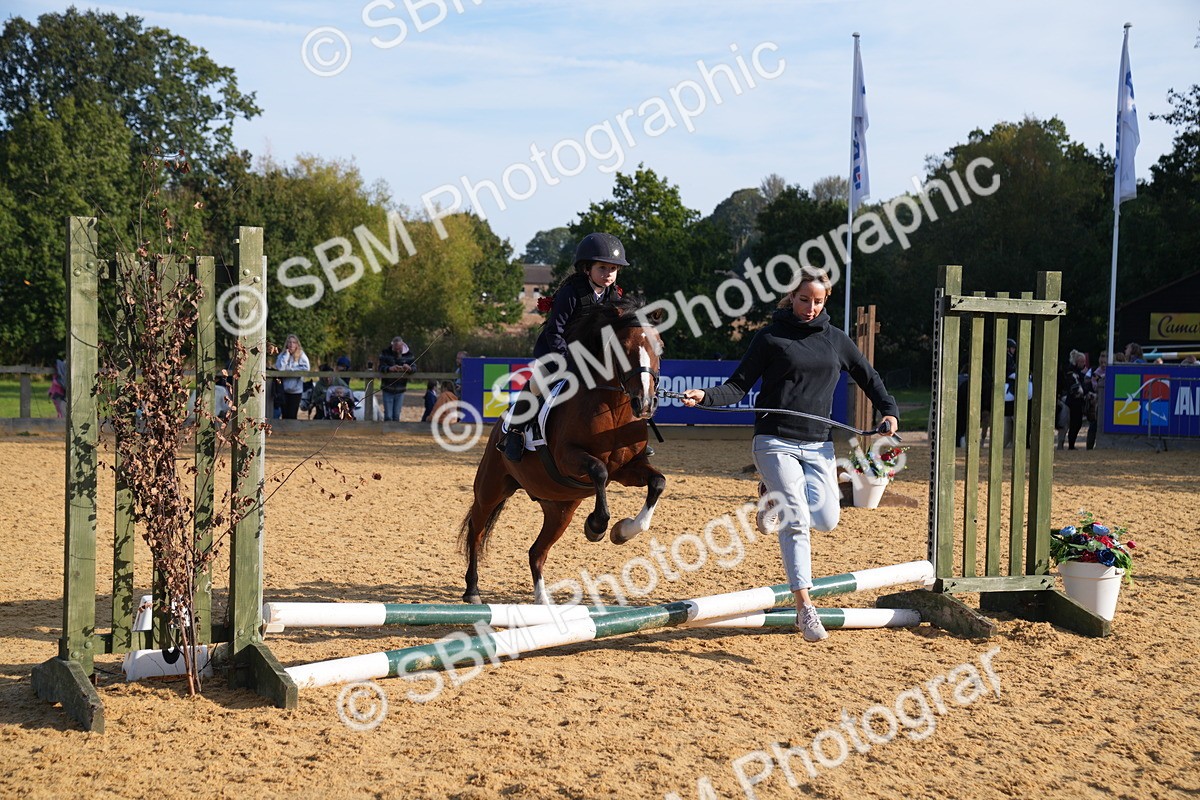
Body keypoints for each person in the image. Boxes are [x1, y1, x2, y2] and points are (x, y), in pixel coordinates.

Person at [681, 269, 899, 642]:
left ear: (826, 300)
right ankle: (804, 608)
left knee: (827, 520)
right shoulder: (770, 336)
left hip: (819, 444)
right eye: (803, 299)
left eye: (817, 301)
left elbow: (868, 376)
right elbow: (738, 385)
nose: (810, 307)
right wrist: (706, 396)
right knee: (796, 518)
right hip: (774, 441)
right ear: (791, 297)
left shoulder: (837, 340)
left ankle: (769, 496)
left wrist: (889, 410)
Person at [503, 232, 627, 462]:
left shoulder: (614, 295)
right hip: (558, 351)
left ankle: (628, 437)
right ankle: (515, 431)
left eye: (613, 268)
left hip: (592, 356)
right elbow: (555, 331)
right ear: (587, 269)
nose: (608, 273)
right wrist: (569, 361)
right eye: (602, 268)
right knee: (538, 383)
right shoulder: (570, 293)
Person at [378, 336, 416, 421]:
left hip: (400, 389)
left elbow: (414, 368)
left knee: (396, 415)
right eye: (396, 349)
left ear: (402, 346)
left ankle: (395, 429)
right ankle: (387, 428)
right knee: (388, 415)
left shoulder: (409, 355)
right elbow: (380, 367)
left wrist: (409, 368)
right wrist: (389, 369)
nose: (398, 351)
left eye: (399, 349)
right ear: (392, 346)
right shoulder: (385, 353)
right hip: (387, 388)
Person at [274, 334, 309, 420]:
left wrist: (291, 370)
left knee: (292, 415)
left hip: (296, 391)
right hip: (284, 390)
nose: (291, 344)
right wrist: (286, 355)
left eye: (294, 342)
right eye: (289, 342)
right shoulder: (282, 355)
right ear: (286, 344)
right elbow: (280, 368)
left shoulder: (301, 355)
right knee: (284, 415)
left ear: (297, 344)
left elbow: (306, 368)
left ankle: (293, 429)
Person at [1062, 349, 1092, 451]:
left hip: (1076, 401)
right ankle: (1070, 444)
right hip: (1073, 401)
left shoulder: (1078, 372)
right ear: (1077, 362)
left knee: (1077, 423)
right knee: (1075, 423)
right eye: (1082, 362)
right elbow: (1076, 388)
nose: (1084, 364)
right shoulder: (1072, 372)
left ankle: (1071, 444)